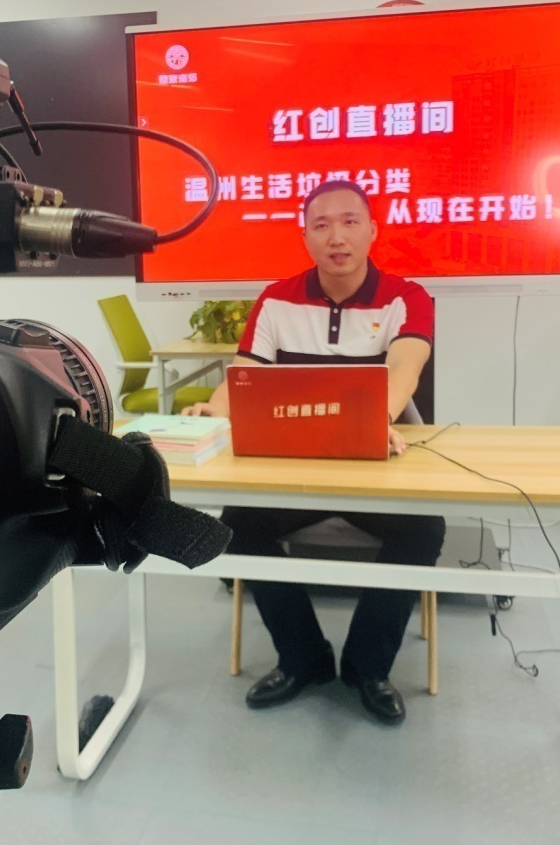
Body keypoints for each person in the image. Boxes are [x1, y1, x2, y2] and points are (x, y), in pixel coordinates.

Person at [183, 179, 446, 724]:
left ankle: (367, 667)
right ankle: (303, 658)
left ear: (373, 230)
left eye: (350, 222)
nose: (336, 237)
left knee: (424, 528)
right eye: (321, 225)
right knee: (237, 526)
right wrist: (213, 409)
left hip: (374, 466)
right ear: (305, 236)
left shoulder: (407, 297)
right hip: (293, 468)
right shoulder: (277, 299)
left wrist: (373, 421)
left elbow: (405, 369)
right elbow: (245, 374)